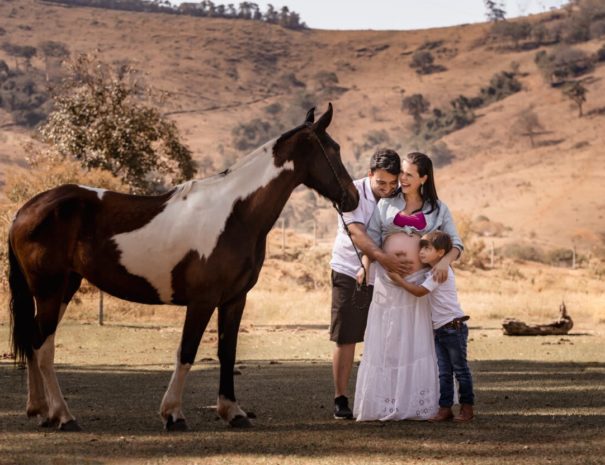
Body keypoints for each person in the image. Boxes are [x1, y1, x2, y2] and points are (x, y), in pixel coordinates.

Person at [353, 151, 463, 421]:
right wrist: (364, 265)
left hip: (420, 285)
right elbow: (373, 239)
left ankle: (421, 405)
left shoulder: (438, 209)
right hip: (389, 284)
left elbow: (457, 245)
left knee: (419, 344)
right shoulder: (386, 205)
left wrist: (442, 263)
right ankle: (386, 403)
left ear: (423, 178)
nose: (402, 178)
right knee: (390, 344)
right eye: (401, 173)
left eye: (409, 174)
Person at [329, 148, 410, 420]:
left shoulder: (400, 196)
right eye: (381, 183)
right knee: (346, 337)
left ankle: (385, 397)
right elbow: (357, 233)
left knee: (388, 338)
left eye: (392, 183)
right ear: (369, 175)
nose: (387, 189)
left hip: (388, 276)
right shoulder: (350, 192)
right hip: (349, 271)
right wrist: (381, 259)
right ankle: (341, 398)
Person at [385, 230, 475, 422]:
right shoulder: (432, 271)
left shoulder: (439, 272)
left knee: (460, 370)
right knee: (443, 371)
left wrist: (398, 280)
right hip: (441, 329)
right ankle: (445, 408)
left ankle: (467, 408)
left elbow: (419, 292)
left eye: (427, 248)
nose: (421, 252)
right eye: (421, 248)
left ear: (441, 253)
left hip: (453, 327)